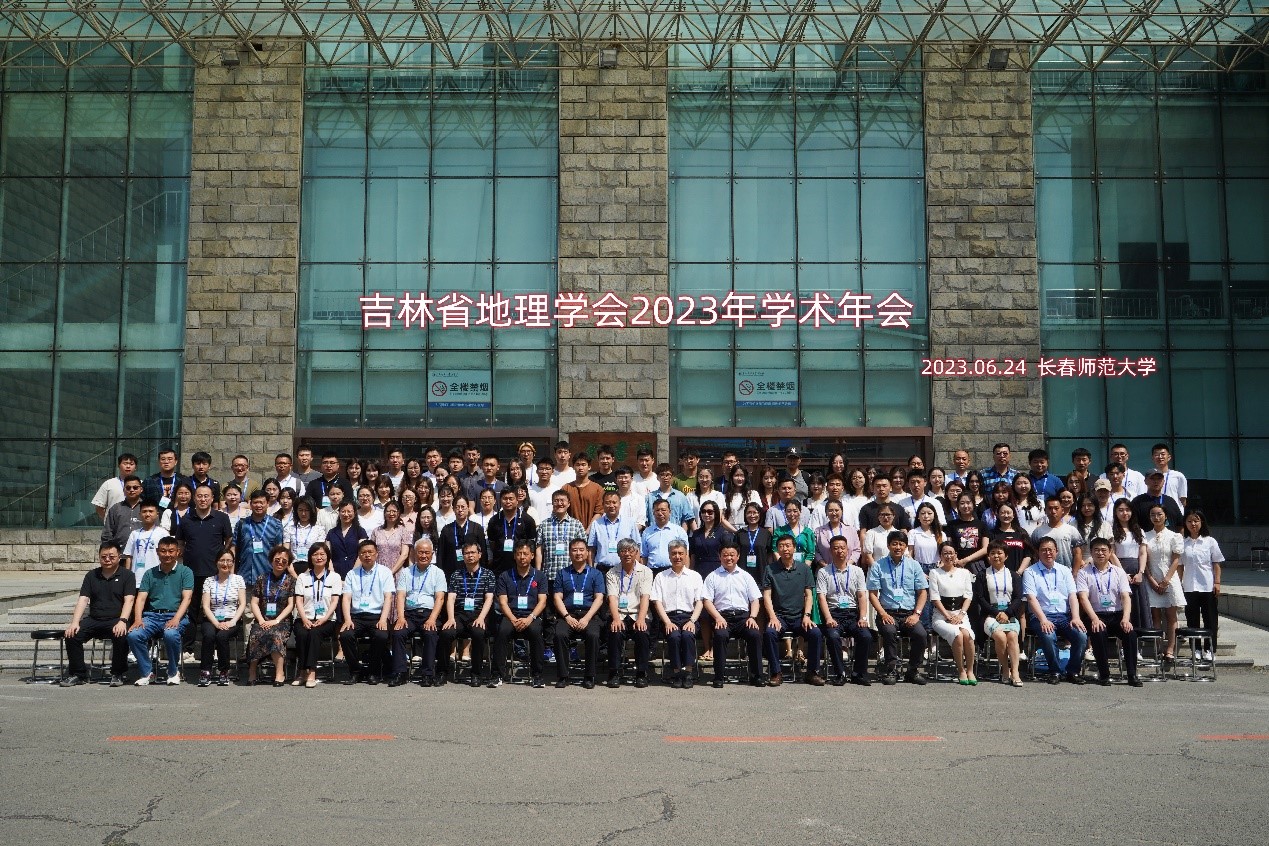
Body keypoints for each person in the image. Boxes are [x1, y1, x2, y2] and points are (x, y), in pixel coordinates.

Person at [60, 543, 137, 688]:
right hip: (94, 619)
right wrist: (75, 622)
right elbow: (83, 599)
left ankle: (118, 673)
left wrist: (123, 620)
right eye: (104, 557)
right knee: (72, 635)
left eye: (111, 556)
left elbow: (129, 600)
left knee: (122, 635)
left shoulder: (127, 575)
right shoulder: (91, 575)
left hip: (116, 619)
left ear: (119, 557)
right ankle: (78, 674)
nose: (107, 559)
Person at [126, 537, 194, 686]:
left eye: (171, 551)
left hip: (175, 615)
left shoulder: (186, 572)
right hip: (152, 616)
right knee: (133, 635)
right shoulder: (149, 573)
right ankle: (147, 672)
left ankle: (173, 671)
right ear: (157, 552)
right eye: (163, 551)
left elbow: (187, 598)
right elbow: (141, 599)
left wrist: (176, 619)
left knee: (171, 634)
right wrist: (137, 619)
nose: (167, 554)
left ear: (178, 552)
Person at [1022, 536, 1088, 685]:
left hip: (1064, 616)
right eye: (1044, 550)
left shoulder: (1065, 570)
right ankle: (1055, 671)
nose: (1048, 553)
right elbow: (1031, 598)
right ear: (1038, 552)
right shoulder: (1030, 572)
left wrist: (1076, 617)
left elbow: (1072, 595)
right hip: (1041, 616)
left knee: (1081, 635)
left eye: (1050, 550)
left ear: (1056, 552)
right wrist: (1043, 620)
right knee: (1048, 635)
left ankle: (1073, 671)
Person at [866, 531, 929, 686]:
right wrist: (882, 614)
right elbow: (872, 594)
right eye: (894, 544)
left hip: (909, 613)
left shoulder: (914, 565)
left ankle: (912, 670)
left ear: (906, 546)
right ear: (888, 546)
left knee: (921, 634)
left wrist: (916, 614)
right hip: (887, 613)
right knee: (889, 631)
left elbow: (922, 592)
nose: (898, 547)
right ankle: (891, 669)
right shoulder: (878, 565)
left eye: (901, 544)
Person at [1078, 537, 1143, 686]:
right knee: (1098, 632)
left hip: (1117, 614)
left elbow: (1125, 596)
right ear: (1091, 552)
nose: (1100, 553)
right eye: (1096, 550)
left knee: (1130, 633)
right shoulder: (1084, 573)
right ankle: (1104, 674)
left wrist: (1126, 618)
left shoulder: (1119, 572)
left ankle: (1132, 675)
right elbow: (1083, 597)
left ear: (1110, 552)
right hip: (1095, 614)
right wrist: (1094, 618)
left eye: (1103, 550)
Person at [761, 535, 825, 686]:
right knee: (770, 633)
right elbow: (767, 596)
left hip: (799, 617)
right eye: (781, 546)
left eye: (788, 545)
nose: (785, 549)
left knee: (816, 633)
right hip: (779, 617)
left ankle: (812, 672)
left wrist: (807, 616)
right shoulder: (770, 569)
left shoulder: (804, 569)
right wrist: (772, 617)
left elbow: (809, 595)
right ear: (777, 549)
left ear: (794, 548)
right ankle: (776, 673)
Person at [387, 537, 447, 687]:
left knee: (430, 634)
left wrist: (432, 618)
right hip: (410, 614)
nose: (424, 555)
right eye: (420, 552)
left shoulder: (438, 573)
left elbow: (440, 598)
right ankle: (400, 673)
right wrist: (401, 617)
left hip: (429, 613)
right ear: (414, 553)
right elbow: (400, 596)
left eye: (427, 552)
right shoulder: (406, 572)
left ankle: (427, 674)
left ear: (432, 554)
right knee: (398, 633)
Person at [488, 540, 548, 688]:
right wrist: (514, 619)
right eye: (519, 554)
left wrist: (530, 618)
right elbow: (503, 602)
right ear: (514, 556)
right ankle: (497, 675)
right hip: (511, 615)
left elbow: (542, 602)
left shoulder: (540, 576)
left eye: (525, 554)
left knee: (536, 633)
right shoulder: (505, 576)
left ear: (532, 555)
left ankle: (537, 676)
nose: (522, 557)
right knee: (502, 632)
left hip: (531, 616)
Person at [703, 541, 763, 688]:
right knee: (720, 635)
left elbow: (755, 599)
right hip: (722, 617)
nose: (728, 558)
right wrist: (718, 617)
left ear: (738, 556)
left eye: (732, 555)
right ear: (719, 556)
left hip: (743, 617)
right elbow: (707, 601)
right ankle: (719, 676)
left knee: (754, 634)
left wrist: (752, 617)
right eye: (725, 555)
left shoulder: (746, 576)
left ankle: (757, 676)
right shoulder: (712, 576)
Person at [816, 534, 873, 686]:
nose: (839, 551)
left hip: (853, 614)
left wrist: (863, 617)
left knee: (866, 636)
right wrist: (828, 618)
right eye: (836, 548)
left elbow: (861, 595)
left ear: (847, 550)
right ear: (830, 551)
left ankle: (858, 673)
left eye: (842, 548)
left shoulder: (857, 571)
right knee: (833, 636)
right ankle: (839, 673)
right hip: (834, 614)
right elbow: (821, 597)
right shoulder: (823, 572)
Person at [437, 540, 496, 686]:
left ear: (480, 554)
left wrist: (481, 618)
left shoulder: (488, 574)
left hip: (479, 614)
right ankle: (442, 672)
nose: (470, 556)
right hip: (460, 614)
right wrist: (451, 618)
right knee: (446, 633)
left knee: (478, 633)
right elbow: (451, 598)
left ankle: (476, 674)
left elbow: (489, 599)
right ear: (462, 556)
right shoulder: (456, 574)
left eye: (473, 552)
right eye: (466, 553)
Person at [551, 538, 606, 688]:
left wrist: (587, 618)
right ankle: (563, 676)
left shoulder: (596, 574)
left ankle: (589, 676)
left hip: (589, 615)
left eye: (581, 550)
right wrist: (567, 617)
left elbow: (599, 598)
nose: (578, 553)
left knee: (593, 635)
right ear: (569, 553)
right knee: (559, 634)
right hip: (568, 614)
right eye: (574, 550)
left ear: (587, 552)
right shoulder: (562, 573)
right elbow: (557, 597)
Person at [340, 539, 395, 684]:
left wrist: (383, 619)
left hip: (377, 616)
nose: (367, 555)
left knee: (381, 636)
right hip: (356, 616)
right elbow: (346, 598)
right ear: (359, 555)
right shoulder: (352, 574)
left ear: (377, 554)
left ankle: (373, 671)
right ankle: (355, 671)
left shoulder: (385, 572)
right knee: (345, 635)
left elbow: (388, 598)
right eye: (363, 552)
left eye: (370, 552)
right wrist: (347, 619)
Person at [651, 540, 706, 688]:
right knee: (674, 636)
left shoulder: (695, 576)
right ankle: (676, 672)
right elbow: (657, 602)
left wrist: (692, 621)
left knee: (687, 635)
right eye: (674, 553)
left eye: (681, 553)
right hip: (669, 617)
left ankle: (688, 673)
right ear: (669, 556)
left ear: (686, 555)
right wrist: (667, 622)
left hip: (690, 617)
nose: (677, 556)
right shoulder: (661, 577)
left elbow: (700, 601)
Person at [973, 542, 1024, 687]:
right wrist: (996, 613)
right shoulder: (982, 575)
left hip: (1009, 613)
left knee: (1012, 636)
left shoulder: (1013, 575)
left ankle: (1015, 672)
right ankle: (1005, 670)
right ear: (988, 556)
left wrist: (1007, 613)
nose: (996, 556)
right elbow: (980, 598)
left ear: (1006, 556)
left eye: (999, 553)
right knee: (1000, 637)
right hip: (990, 614)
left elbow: (1018, 597)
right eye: (992, 553)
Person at [243, 546, 295, 686]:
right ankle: (252, 672)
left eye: (284, 561)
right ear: (271, 560)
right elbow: (254, 602)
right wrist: (261, 620)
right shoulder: (262, 578)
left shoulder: (290, 580)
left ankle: (279, 673)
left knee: (275, 635)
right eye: (277, 559)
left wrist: (276, 620)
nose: (280, 562)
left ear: (288, 563)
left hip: (282, 621)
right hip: (262, 620)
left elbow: (291, 605)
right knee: (255, 634)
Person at [606, 538, 654, 688]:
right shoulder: (612, 572)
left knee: (642, 633)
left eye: (630, 550)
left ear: (636, 552)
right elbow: (612, 598)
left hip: (638, 613)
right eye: (623, 551)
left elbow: (645, 597)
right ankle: (614, 672)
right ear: (618, 553)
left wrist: (641, 619)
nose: (627, 554)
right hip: (619, 613)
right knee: (615, 632)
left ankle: (641, 673)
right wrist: (616, 619)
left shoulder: (646, 571)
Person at [293, 542, 342, 688]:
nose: (319, 557)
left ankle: (311, 672)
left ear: (327, 557)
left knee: (315, 633)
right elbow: (298, 601)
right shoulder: (302, 577)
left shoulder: (335, 577)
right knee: (302, 634)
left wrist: (324, 618)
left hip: (327, 620)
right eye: (315, 554)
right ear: (310, 557)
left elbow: (334, 601)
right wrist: (304, 619)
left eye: (322, 554)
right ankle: (302, 672)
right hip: (304, 617)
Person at [928, 542, 977, 685]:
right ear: (940, 556)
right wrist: (947, 616)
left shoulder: (964, 573)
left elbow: (968, 595)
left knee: (968, 635)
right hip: (941, 616)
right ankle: (961, 670)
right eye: (945, 553)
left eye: (951, 553)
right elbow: (935, 598)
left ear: (956, 555)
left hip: (961, 614)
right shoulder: (934, 573)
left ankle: (970, 670)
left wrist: (961, 614)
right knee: (957, 635)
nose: (948, 556)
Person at [1143, 504, 1185, 664]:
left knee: (1171, 616)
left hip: (1170, 579)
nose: (1156, 517)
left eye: (1159, 514)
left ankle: (1170, 650)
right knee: (1155, 616)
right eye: (1152, 514)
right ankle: (1158, 648)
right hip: (1151, 578)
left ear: (1165, 516)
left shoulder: (1174, 536)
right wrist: (1151, 580)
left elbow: (1176, 560)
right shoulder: (1145, 536)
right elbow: (1144, 560)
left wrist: (1167, 579)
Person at [198, 548, 246, 687]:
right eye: (222, 560)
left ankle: (224, 671)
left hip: (231, 619)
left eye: (229, 561)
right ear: (216, 562)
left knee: (222, 636)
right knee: (209, 635)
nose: (225, 564)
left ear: (233, 563)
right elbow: (206, 606)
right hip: (211, 619)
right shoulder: (209, 581)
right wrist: (216, 623)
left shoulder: (238, 580)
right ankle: (205, 671)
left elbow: (242, 604)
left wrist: (233, 622)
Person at [1180, 509, 1223, 661]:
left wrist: (1217, 582)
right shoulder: (1183, 543)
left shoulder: (1210, 541)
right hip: (1189, 586)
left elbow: (1216, 563)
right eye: (1189, 521)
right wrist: (1179, 584)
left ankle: (1209, 649)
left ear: (1202, 522)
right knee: (1192, 620)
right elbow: (1180, 566)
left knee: (1210, 619)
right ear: (1185, 523)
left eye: (1196, 520)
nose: (1193, 524)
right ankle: (1196, 649)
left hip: (1207, 586)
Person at [233, 490, 285, 586]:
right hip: (244, 577)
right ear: (251, 504)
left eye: (261, 502)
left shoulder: (276, 524)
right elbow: (234, 549)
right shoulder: (242, 524)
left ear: (267, 504)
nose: (258, 505)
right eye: (255, 502)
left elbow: (279, 550)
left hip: (267, 578)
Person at [536, 489, 586, 583]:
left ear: (568, 503)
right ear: (552, 503)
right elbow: (539, 550)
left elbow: (584, 550)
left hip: (572, 575)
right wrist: (538, 573)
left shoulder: (577, 525)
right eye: (556, 501)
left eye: (562, 500)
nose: (559, 503)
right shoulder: (544, 525)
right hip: (550, 575)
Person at [488, 486, 538, 574]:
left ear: (517, 500)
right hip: (499, 568)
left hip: (521, 569)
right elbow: (492, 544)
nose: (508, 502)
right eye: (505, 499)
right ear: (500, 500)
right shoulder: (494, 521)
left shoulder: (527, 520)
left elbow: (531, 545)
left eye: (511, 499)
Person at [588, 489, 640, 572]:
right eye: (608, 503)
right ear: (603, 505)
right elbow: (591, 550)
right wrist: (591, 570)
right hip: (601, 569)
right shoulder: (596, 524)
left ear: (620, 504)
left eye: (614, 502)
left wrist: (635, 570)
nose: (611, 505)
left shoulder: (630, 523)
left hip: (624, 568)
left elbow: (637, 548)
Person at [1030, 496, 1085, 571]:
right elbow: (1035, 555)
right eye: (1050, 508)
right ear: (1045, 511)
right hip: (1044, 573)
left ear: (1062, 510)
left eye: (1056, 508)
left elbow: (1078, 553)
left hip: (1067, 572)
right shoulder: (1038, 532)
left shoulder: (1071, 530)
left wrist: (1074, 573)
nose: (1053, 511)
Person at [436, 495, 486, 576]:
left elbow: (483, 553)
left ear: (468, 508)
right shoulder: (446, 530)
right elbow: (441, 555)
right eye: (457, 507)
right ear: (453, 509)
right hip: (451, 573)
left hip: (473, 574)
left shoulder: (476, 528)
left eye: (463, 507)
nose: (460, 510)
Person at [123, 500, 168, 587]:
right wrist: (127, 577)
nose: (147, 514)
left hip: (157, 579)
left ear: (157, 514)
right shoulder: (134, 534)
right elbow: (129, 557)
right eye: (144, 511)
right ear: (139, 514)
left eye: (151, 511)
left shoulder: (163, 533)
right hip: (137, 579)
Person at [641, 498, 689, 573]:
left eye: (663, 510)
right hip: (652, 571)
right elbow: (644, 556)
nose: (660, 513)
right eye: (657, 510)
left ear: (670, 512)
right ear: (653, 513)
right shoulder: (647, 532)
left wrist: (685, 573)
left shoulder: (679, 531)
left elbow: (685, 555)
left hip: (674, 570)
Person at [645, 462, 695, 531]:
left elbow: (686, 518)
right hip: (655, 534)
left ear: (673, 477)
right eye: (662, 475)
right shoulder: (650, 497)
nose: (665, 477)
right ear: (657, 477)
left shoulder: (680, 496)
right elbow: (645, 519)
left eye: (668, 475)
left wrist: (682, 534)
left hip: (675, 535)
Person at [101, 475, 144, 552]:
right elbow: (107, 533)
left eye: (135, 487)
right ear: (124, 490)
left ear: (141, 489)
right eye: (128, 488)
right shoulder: (116, 508)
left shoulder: (147, 508)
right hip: (120, 553)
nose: (131, 490)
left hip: (143, 552)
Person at [326, 500, 367, 577]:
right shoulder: (331, 532)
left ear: (354, 513)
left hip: (356, 573)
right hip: (335, 572)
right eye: (343, 511)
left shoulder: (360, 531)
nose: (346, 514)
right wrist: (333, 575)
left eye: (349, 511)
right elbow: (327, 555)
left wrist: (352, 574)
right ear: (339, 513)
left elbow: (362, 553)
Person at [142, 447, 189, 514]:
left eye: (170, 459)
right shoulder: (149, 481)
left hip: (178, 515)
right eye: (163, 459)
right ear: (159, 462)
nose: (166, 462)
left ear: (176, 462)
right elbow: (142, 501)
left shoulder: (183, 480)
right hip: (155, 516)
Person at [814, 499, 859, 569]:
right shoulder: (819, 531)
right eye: (830, 510)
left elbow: (857, 550)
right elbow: (815, 552)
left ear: (842, 512)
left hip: (848, 570)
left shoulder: (851, 530)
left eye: (837, 510)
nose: (834, 513)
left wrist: (847, 565)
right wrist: (825, 566)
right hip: (826, 570)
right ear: (826, 513)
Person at [92, 453, 138, 522]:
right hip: (114, 525)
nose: (128, 466)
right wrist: (108, 521)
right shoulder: (109, 484)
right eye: (125, 463)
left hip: (135, 525)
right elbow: (99, 507)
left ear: (135, 467)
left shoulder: (141, 484)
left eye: (131, 464)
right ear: (119, 466)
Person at [736, 502, 774, 584]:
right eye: (749, 512)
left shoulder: (766, 533)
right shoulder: (739, 534)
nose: (752, 515)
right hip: (743, 575)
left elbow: (770, 555)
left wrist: (770, 570)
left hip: (761, 573)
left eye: (755, 512)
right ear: (745, 515)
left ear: (759, 514)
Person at [770, 500, 815, 566]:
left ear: (800, 512)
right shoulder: (779, 531)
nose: (792, 514)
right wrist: (785, 567)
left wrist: (803, 569)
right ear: (785, 512)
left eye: (795, 511)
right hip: (783, 568)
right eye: (789, 511)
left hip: (803, 568)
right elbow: (775, 550)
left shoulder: (808, 532)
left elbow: (810, 554)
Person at [564, 453, 604, 526]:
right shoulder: (566, 488)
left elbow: (599, 512)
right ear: (573, 467)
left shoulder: (598, 489)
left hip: (592, 530)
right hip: (571, 530)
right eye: (577, 465)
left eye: (583, 464)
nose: (580, 468)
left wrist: (589, 530)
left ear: (589, 467)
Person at [372, 501, 411, 574]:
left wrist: (391, 572)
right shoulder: (376, 531)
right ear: (384, 513)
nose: (391, 513)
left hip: (397, 571)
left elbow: (404, 554)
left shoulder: (403, 530)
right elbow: (372, 552)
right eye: (388, 511)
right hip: (379, 572)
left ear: (398, 513)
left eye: (394, 511)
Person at [1150, 443, 1187, 509]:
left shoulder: (1178, 476)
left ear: (1169, 457)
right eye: (1156, 455)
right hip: (1156, 513)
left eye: (1163, 454)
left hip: (1173, 512)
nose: (1160, 457)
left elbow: (1183, 500)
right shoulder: (1149, 477)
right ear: (1152, 458)